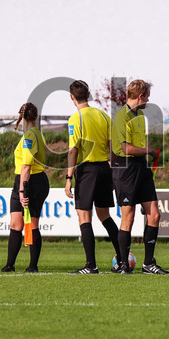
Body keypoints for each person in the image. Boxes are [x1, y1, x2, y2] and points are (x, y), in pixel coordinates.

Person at [64, 80, 121, 274]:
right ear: (88, 95)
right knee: (105, 216)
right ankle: (122, 260)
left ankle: (91, 265)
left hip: (86, 171)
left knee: (84, 217)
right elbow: (113, 147)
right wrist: (111, 167)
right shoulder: (103, 116)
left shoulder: (76, 118)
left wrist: (68, 178)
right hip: (104, 169)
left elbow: (73, 150)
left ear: (71, 97)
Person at [111, 79, 167, 274]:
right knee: (128, 217)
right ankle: (124, 265)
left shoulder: (140, 115)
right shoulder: (122, 116)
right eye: (147, 96)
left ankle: (148, 263)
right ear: (141, 96)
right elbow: (125, 148)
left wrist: (146, 155)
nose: (148, 100)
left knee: (155, 215)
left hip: (141, 166)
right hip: (125, 168)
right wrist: (149, 150)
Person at [2, 103, 49, 273]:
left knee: (32, 223)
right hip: (21, 180)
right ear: (35, 117)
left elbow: (27, 166)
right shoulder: (33, 134)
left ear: (22, 117)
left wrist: (23, 190)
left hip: (32, 181)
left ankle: (33, 266)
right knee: (16, 223)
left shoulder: (31, 135)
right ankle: (10, 265)